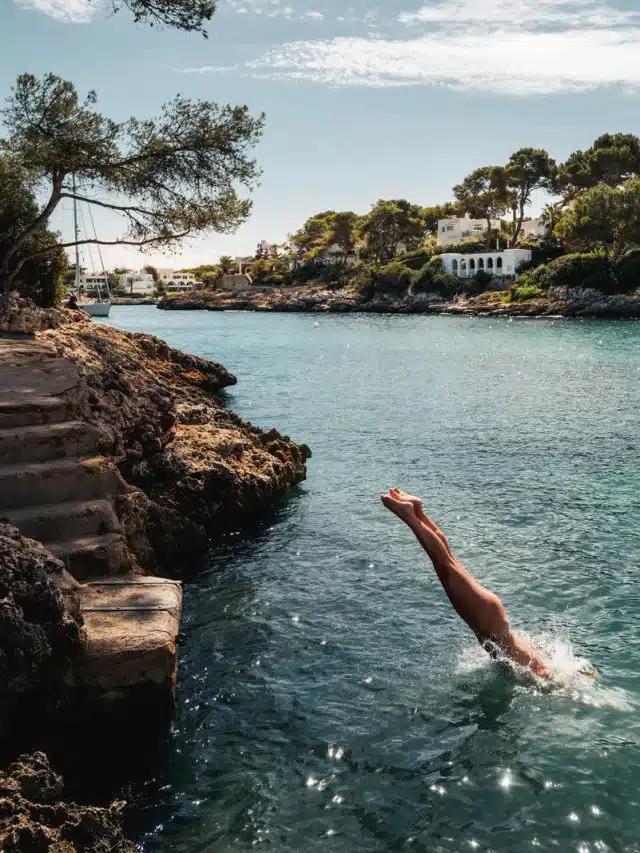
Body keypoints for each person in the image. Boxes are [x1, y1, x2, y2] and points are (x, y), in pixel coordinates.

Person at [380, 488, 550, 679]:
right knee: (445, 564)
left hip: (492, 616)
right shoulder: (543, 672)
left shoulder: (535, 656)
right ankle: (409, 515)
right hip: (487, 619)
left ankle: (417, 510)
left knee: (449, 561)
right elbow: (546, 675)